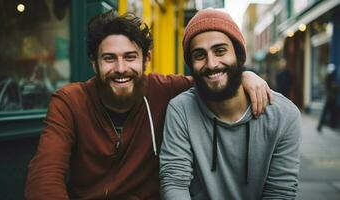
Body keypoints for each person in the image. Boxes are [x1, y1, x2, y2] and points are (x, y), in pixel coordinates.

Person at [25, 10, 272, 200]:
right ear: (94, 63)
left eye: (130, 57)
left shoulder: (165, 90)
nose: (120, 69)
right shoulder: (69, 102)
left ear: (146, 59)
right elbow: (45, 176)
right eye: (109, 58)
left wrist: (245, 76)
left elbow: (212, 75)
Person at [159, 8, 301, 200]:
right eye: (199, 55)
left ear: (239, 56)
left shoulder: (283, 115)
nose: (211, 64)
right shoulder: (181, 110)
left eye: (220, 51)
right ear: (191, 65)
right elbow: (174, 181)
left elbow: (280, 193)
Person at [317, 63, 338, 132]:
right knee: (328, 111)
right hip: (330, 97)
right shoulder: (330, 77)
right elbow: (333, 87)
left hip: (329, 97)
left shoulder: (328, 77)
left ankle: (324, 125)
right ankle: (325, 125)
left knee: (328, 111)